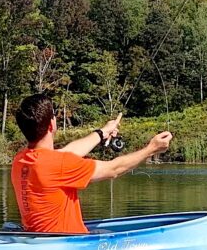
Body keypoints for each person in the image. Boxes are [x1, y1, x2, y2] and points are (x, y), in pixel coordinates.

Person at [11, 93, 173, 234]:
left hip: (40, 239)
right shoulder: (59, 164)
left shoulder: (20, 160)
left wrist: (102, 132)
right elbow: (113, 169)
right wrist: (151, 149)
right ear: (51, 124)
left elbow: (68, 153)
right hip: (68, 244)